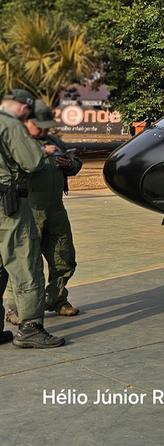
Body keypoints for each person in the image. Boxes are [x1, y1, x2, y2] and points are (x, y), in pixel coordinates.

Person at [4, 101, 82, 323]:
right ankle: (16, 308)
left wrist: (69, 163)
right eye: (40, 126)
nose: (45, 130)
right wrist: (41, 155)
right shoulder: (15, 143)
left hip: (55, 208)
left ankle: (56, 299)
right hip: (28, 210)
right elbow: (19, 168)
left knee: (64, 256)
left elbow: (76, 164)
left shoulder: (54, 141)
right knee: (24, 263)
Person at [0, 89, 64, 348]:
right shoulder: (10, 124)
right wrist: (45, 151)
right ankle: (30, 328)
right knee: (25, 262)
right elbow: (31, 162)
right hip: (9, 203)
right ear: (23, 107)